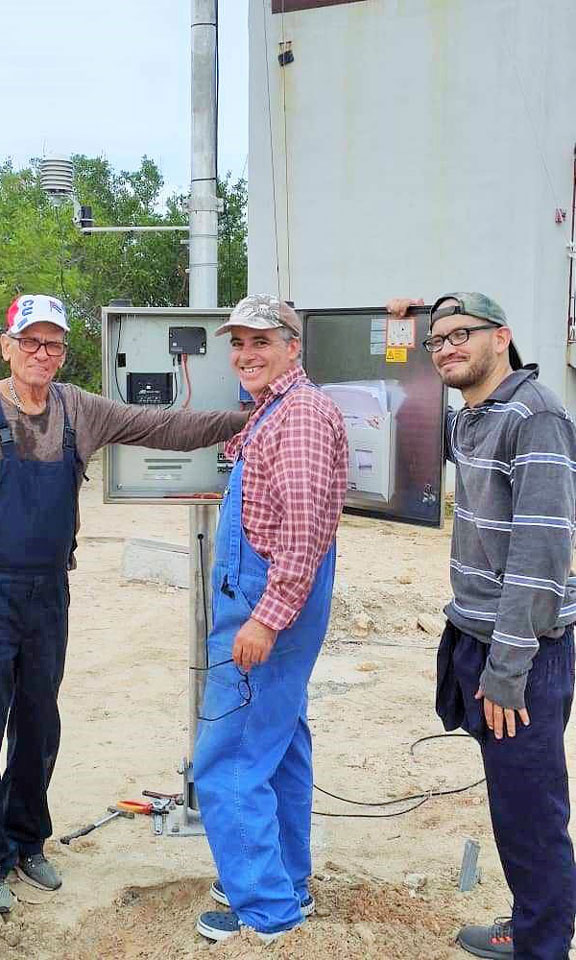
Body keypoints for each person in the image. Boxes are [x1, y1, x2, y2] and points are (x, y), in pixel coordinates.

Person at [0, 294, 247, 915]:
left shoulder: (78, 410)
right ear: (6, 346)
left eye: (53, 344)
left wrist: (242, 418)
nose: (42, 354)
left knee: (38, 721)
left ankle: (27, 840)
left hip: (47, 592)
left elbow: (164, 426)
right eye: (30, 342)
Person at [387, 293, 576, 960]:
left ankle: (542, 946)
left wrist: (507, 668)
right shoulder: (474, 417)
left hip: (520, 648)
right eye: (436, 340)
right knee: (512, 807)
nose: (445, 348)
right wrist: (410, 317)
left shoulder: (536, 415)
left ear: (503, 337)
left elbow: (542, 552)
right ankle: (533, 922)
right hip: (473, 633)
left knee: (531, 816)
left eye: (461, 335)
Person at [192, 294, 348, 943]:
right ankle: (287, 880)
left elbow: (305, 529)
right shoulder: (273, 412)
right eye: (238, 343)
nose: (246, 354)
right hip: (265, 603)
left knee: (227, 758)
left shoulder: (302, 415)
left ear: (293, 345)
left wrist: (265, 618)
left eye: (261, 341)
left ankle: (264, 910)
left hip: (265, 611)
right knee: (279, 745)